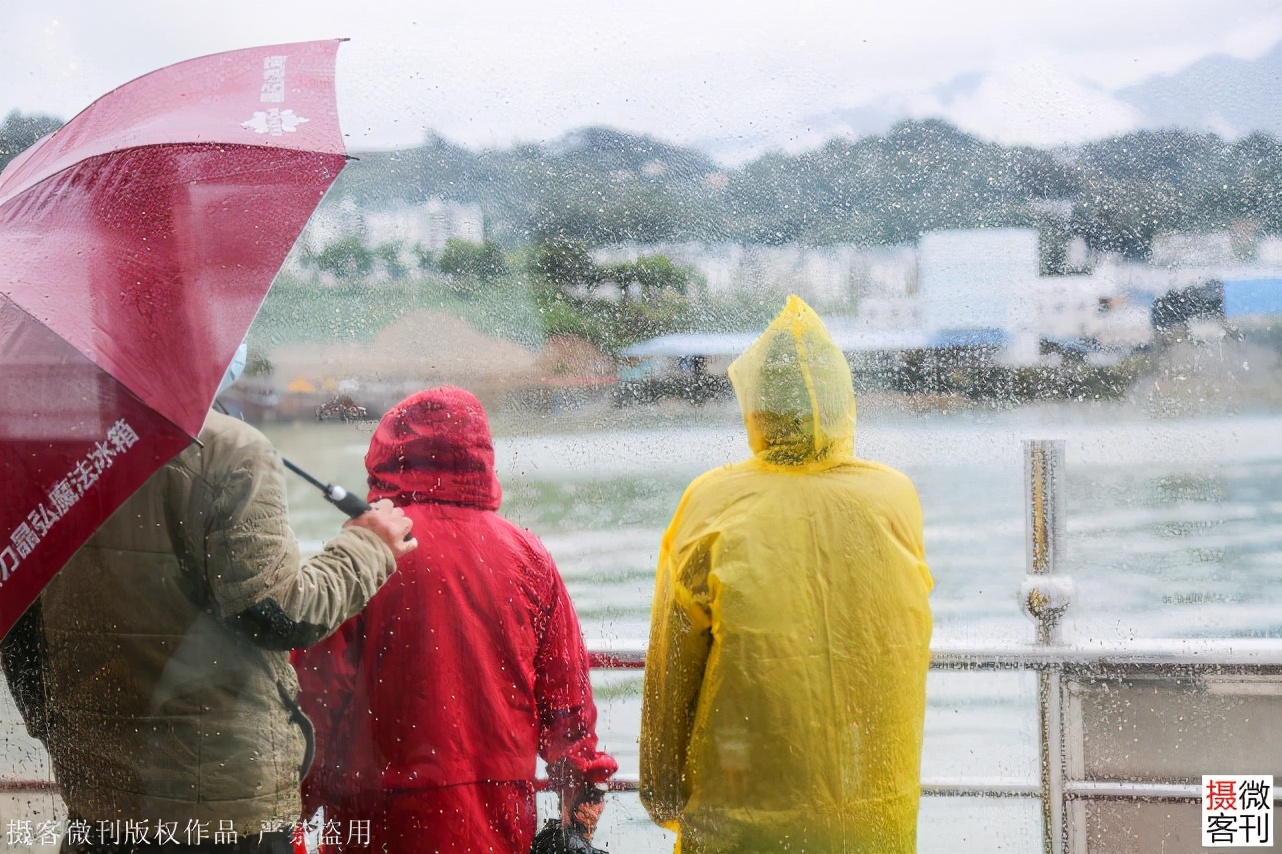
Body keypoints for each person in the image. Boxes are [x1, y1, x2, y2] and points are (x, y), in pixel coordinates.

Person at [1, 354, 417, 854]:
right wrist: (368, 545)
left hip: (99, 806)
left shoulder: (37, 451)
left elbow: (19, 630)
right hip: (224, 808)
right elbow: (277, 613)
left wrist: (70, 740)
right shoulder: (230, 449)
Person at [639, 295, 934, 854]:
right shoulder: (893, 496)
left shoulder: (714, 500)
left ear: (754, 404)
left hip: (740, 820)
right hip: (874, 820)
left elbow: (672, 662)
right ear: (842, 397)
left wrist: (661, 794)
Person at [292, 386, 617, 854]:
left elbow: (314, 703)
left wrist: (295, 817)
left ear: (388, 455)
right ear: (478, 457)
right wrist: (579, 808)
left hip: (381, 821)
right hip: (500, 819)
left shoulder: (368, 553)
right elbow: (567, 706)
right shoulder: (528, 556)